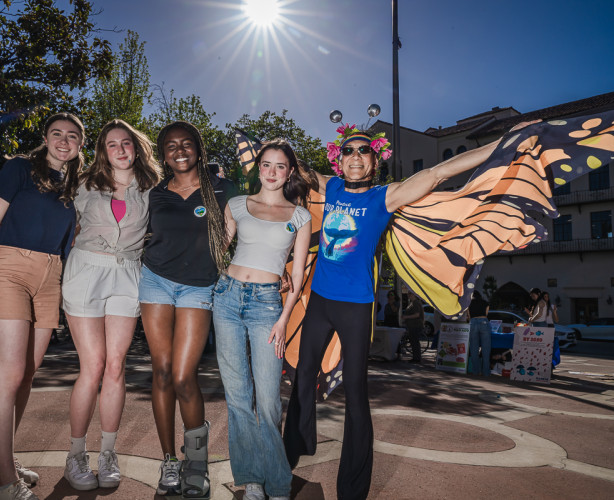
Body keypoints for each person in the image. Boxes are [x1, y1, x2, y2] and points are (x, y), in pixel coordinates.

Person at [283, 121, 533, 500]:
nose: (355, 156)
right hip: (319, 301)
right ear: (338, 160)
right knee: (302, 377)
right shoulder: (329, 186)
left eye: (363, 151)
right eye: (347, 150)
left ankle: (352, 488)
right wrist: (272, 146)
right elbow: (288, 162)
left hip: (355, 306)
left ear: (374, 160)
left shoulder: (385, 197)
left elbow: (439, 172)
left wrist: (506, 141)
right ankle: (291, 451)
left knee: (355, 392)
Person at [0, 112, 85, 500]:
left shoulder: (75, 185)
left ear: (81, 144)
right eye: (57, 134)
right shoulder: (19, 168)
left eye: (72, 136)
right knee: (8, 374)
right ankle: (5, 482)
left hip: (51, 275)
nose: (64, 141)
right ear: (46, 138)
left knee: (27, 374)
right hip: (9, 269)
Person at [60, 119, 161, 490]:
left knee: (116, 366)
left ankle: (108, 452)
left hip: (128, 274)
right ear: (103, 151)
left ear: (137, 147)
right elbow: (64, 226)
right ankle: (75, 454)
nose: (120, 150)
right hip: (86, 270)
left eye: (126, 143)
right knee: (93, 365)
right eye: (112, 144)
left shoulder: (153, 188)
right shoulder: (84, 185)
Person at [138, 120, 236, 498]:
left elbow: (253, 220)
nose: (179, 150)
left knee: (182, 376)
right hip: (155, 281)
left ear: (198, 148)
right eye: (170, 146)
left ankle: (196, 462)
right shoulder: (153, 192)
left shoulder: (223, 189)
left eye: (186, 144)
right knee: (160, 373)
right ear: (163, 155)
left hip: (198, 286)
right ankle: (168, 462)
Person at [213, 140, 313, 500]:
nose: (271, 172)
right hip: (226, 298)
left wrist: (285, 318)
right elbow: (218, 251)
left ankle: (278, 482)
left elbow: (297, 276)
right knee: (238, 396)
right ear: (258, 168)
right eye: (266, 165)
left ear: (289, 172)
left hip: (268, 306)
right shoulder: (237, 204)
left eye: (280, 166)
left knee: (269, 400)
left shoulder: (300, 216)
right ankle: (252, 478)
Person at [467, 290, 491, 376]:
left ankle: (475, 371)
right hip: (484, 322)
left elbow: (469, 316)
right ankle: (486, 372)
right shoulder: (485, 302)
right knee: (486, 348)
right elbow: (486, 314)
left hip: (473, 323)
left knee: (474, 348)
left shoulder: (469, 303)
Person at [402, 290, 424, 363]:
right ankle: (415, 357)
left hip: (416, 325)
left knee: (415, 342)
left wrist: (406, 317)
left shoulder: (416, 303)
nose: (408, 295)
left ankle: (417, 358)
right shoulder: (412, 303)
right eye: (408, 293)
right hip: (412, 325)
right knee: (413, 341)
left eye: (410, 293)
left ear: (414, 295)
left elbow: (417, 314)